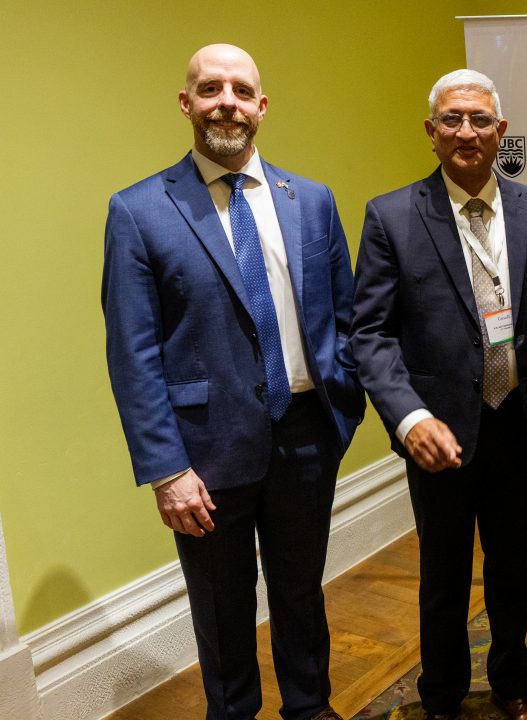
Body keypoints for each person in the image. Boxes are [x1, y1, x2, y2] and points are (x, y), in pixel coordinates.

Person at [102, 44, 363, 720]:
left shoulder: (311, 200)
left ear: (262, 107)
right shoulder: (139, 210)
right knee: (222, 608)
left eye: (242, 91)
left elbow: (345, 315)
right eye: (211, 88)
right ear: (186, 102)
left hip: (305, 436)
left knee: (301, 592)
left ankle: (310, 708)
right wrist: (166, 469)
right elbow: (133, 354)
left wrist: (342, 406)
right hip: (204, 453)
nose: (227, 102)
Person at [350, 69, 527, 720]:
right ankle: (441, 696)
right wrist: (408, 417)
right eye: (452, 119)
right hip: (438, 434)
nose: (466, 131)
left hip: (517, 425)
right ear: (431, 131)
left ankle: (512, 683)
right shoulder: (391, 216)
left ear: (501, 130)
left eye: (479, 119)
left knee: (514, 570)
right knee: (443, 578)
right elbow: (369, 333)